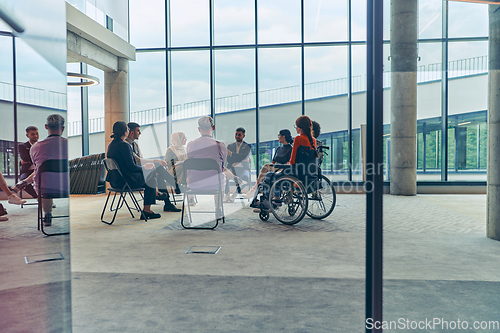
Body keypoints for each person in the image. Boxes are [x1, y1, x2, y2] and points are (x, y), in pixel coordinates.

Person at [107, 121, 161, 220]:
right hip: (126, 181)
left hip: (115, 181)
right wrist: (145, 168)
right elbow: (132, 167)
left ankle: (156, 193)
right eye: (127, 129)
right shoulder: (124, 145)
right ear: (125, 133)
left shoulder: (111, 146)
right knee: (152, 177)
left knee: (150, 173)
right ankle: (147, 210)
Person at [126, 122, 181, 212]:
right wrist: (156, 161)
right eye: (138, 131)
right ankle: (174, 183)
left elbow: (142, 160)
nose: (140, 133)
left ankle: (168, 203)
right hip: (135, 173)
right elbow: (138, 161)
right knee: (158, 166)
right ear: (131, 133)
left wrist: (152, 166)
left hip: (140, 170)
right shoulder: (125, 145)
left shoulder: (135, 144)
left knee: (159, 175)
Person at [29, 114, 68, 226]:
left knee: (45, 181)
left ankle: (47, 214)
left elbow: (37, 169)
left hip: (45, 190)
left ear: (46, 127)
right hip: (67, 187)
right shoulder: (69, 144)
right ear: (63, 128)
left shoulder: (35, 147)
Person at [243, 129, 293, 199]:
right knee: (266, 170)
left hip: (282, 168)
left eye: (279, 135)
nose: (278, 137)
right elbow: (273, 162)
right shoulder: (279, 148)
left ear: (283, 137)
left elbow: (288, 164)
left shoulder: (290, 149)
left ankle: (254, 190)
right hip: (275, 167)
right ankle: (258, 190)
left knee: (266, 167)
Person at [165, 132, 196, 206]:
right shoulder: (170, 150)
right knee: (186, 168)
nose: (186, 139)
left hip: (184, 170)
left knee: (190, 168)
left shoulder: (184, 148)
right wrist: (180, 162)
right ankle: (189, 194)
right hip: (173, 171)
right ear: (178, 140)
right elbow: (168, 164)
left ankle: (186, 191)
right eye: (184, 138)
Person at [224, 127, 252, 202]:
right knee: (224, 175)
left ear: (243, 136)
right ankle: (227, 194)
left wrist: (232, 154)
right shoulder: (230, 146)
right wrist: (239, 157)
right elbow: (229, 159)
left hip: (243, 168)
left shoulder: (247, 146)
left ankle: (235, 194)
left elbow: (244, 156)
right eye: (236, 134)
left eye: (239, 135)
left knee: (246, 177)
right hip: (232, 168)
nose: (237, 136)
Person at [18, 125, 39, 199]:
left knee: (47, 181)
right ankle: (38, 197)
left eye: (37, 133)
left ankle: (46, 199)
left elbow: (26, 159)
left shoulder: (41, 146)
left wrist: (28, 159)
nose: (36, 136)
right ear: (27, 135)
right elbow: (25, 158)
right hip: (27, 171)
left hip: (40, 170)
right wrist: (38, 157)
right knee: (23, 183)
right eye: (33, 134)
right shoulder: (22, 146)